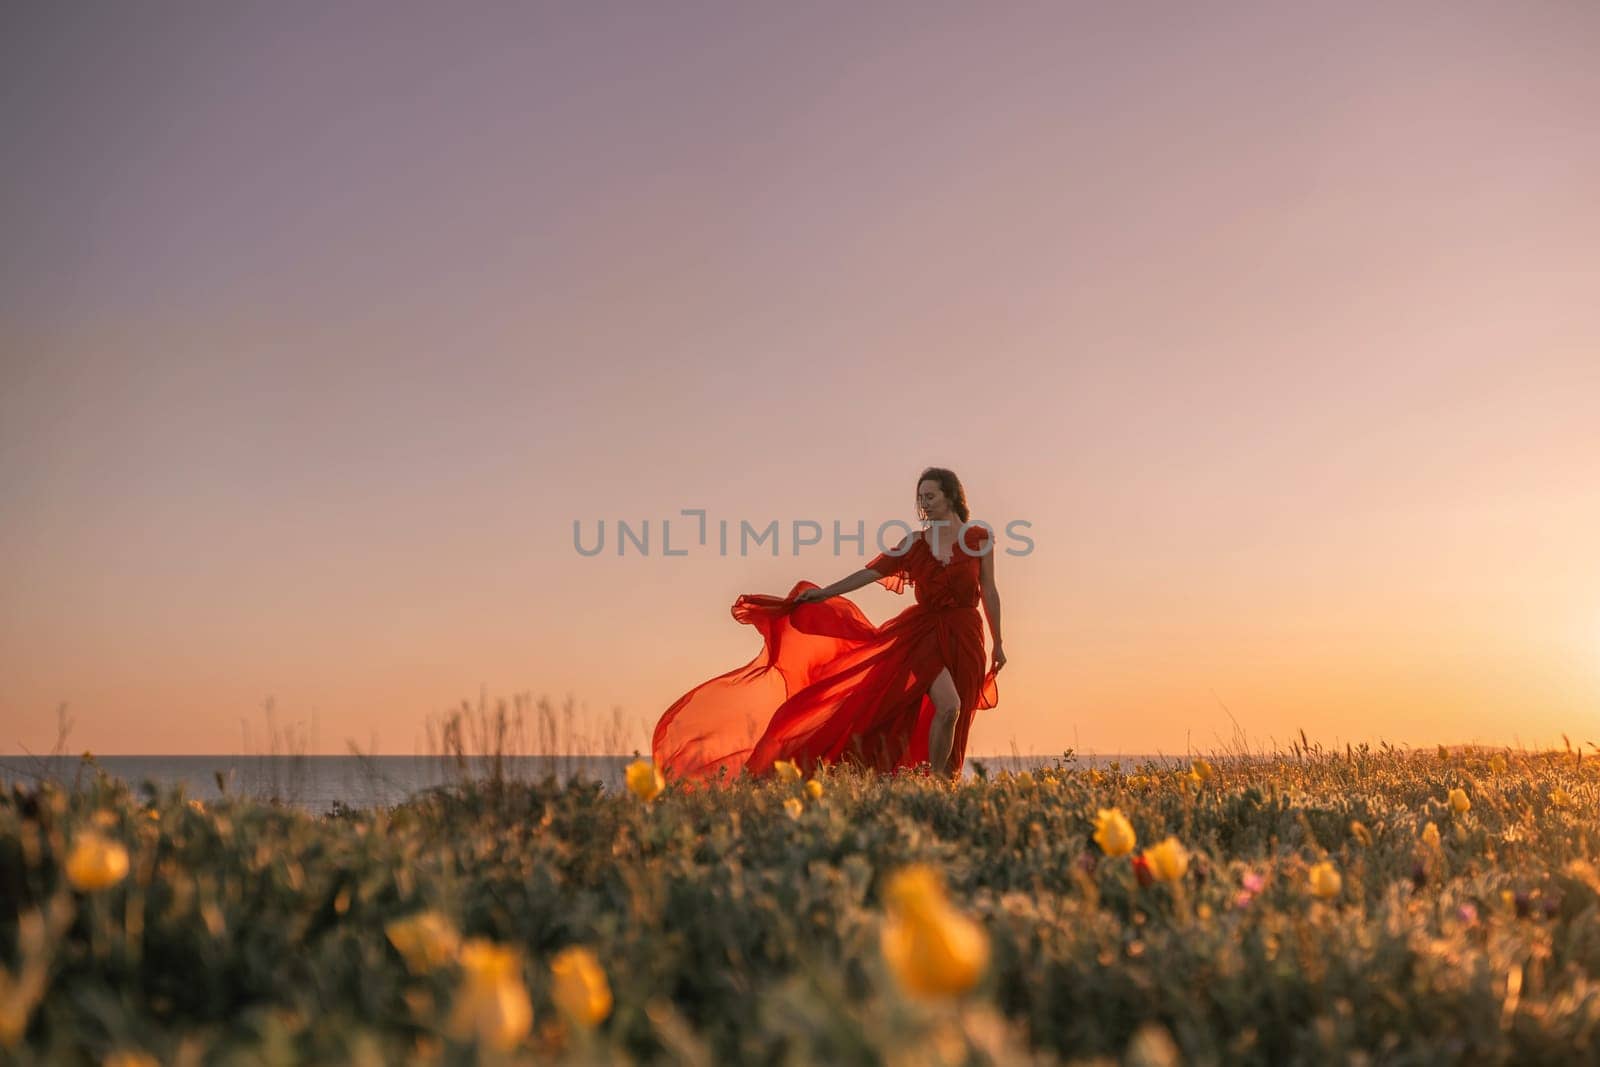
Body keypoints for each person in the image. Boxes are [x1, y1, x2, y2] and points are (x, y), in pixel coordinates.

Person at [651, 467, 1006, 787]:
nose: (923, 504)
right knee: (949, 706)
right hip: (922, 633)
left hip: (968, 634)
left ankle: (946, 784)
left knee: (956, 718)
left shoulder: (979, 538)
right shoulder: (915, 542)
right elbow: (872, 572)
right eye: (920, 497)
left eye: (930, 495)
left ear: (951, 495)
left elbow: (988, 589)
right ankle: (937, 786)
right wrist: (826, 593)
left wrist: (999, 642)